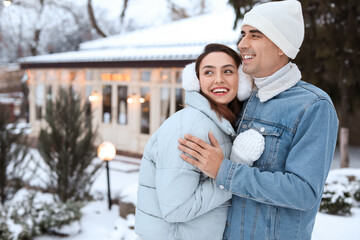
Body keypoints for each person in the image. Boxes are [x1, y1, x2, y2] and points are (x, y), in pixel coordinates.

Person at [178, 1, 339, 239]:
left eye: (255, 35)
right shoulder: (242, 98)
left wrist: (224, 171)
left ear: (281, 46)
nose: (243, 44)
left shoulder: (313, 106)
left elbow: (303, 192)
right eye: (243, 34)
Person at [135, 43, 263, 240]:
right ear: (197, 81)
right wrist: (231, 173)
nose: (218, 80)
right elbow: (176, 209)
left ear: (242, 80)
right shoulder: (191, 126)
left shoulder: (220, 124)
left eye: (228, 71)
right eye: (208, 72)